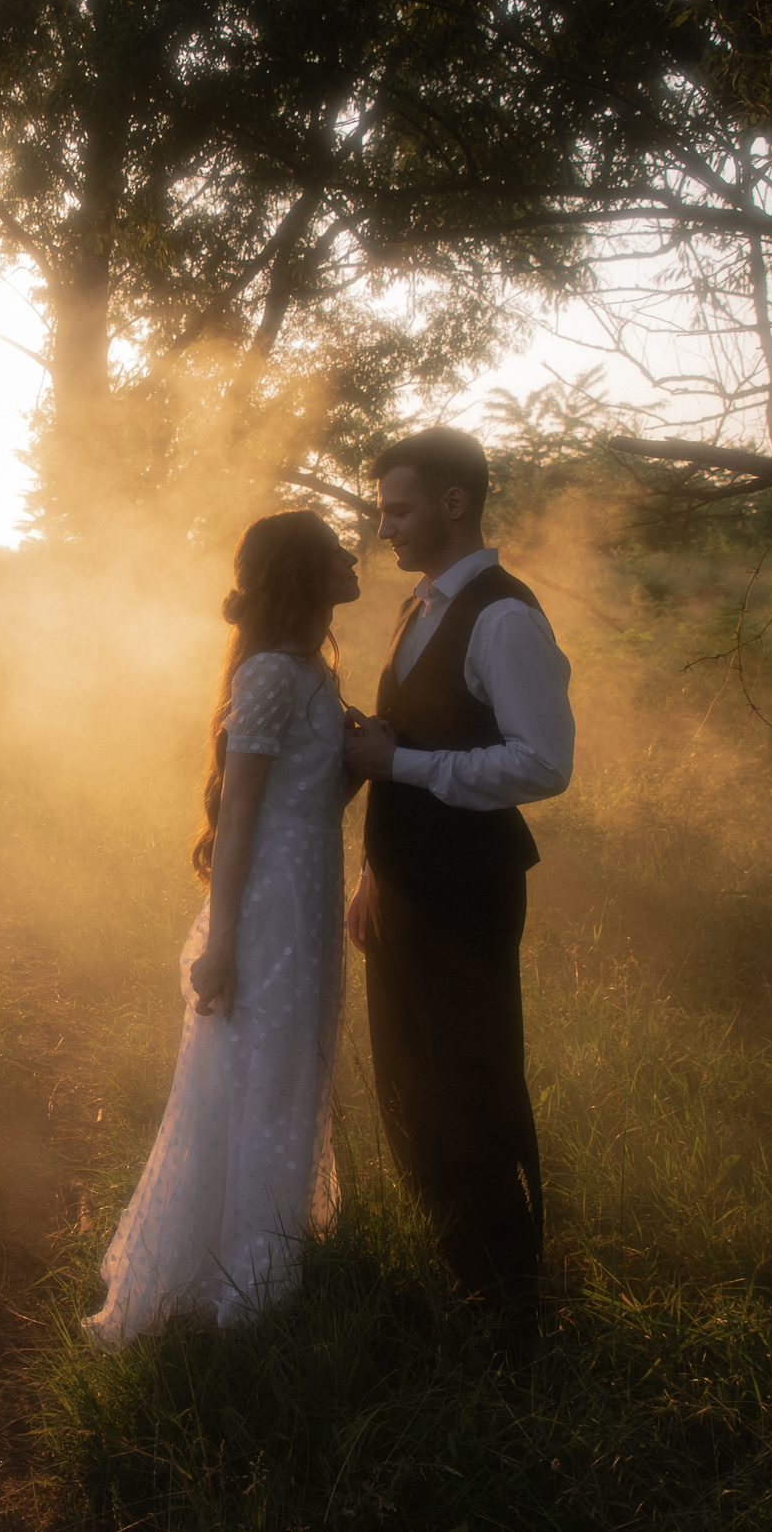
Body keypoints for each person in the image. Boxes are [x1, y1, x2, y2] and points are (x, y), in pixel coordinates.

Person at [85, 510, 362, 1346]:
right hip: (270, 902)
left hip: (309, 889)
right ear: (305, 573)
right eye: (336, 549)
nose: (354, 556)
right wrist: (225, 941)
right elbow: (240, 812)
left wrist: (359, 758)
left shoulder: (311, 670)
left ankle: (268, 1249)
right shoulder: (274, 672)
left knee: (295, 1065)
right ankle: (245, 1283)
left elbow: (305, 795)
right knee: (259, 1076)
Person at [342, 426, 574, 1343]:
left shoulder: (505, 616)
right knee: (407, 1077)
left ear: (453, 503)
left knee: (472, 1083)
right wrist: (371, 872)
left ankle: (511, 1298)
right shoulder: (420, 604)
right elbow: (404, 739)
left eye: (398, 508)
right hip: (404, 883)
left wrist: (407, 765)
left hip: (469, 887)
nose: (384, 526)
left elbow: (542, 763)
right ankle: (454, 1269)